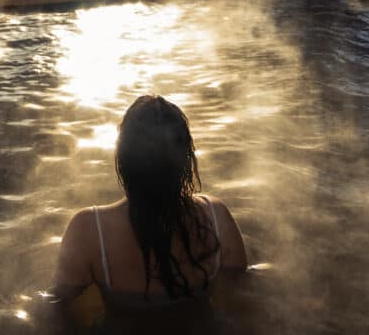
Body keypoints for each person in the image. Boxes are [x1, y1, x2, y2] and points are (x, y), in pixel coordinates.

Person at [54, 94, 248, 312]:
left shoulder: (89, 230)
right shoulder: (216, 218)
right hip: (205, 332)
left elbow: (57, 310)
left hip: (121, 334)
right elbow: (243, 296)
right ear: (185, 158)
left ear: (124, 159)